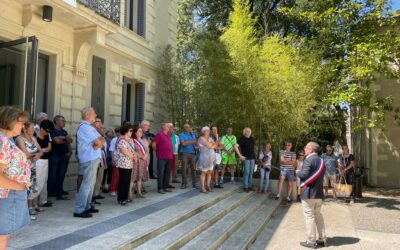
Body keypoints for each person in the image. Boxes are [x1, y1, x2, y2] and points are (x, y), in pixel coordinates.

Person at [0, 106, 30, 249]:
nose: (23, 126)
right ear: (10, 121)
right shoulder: (3, 141)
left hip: (8, 194)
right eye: (21, 122)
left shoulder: (7, 140)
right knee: (2, 237)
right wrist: (20, 186)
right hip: (7, 195)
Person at [74, 107, 105, 218]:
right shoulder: (86, 128)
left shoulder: (88, 127)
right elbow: (98, 141)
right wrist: (99, 142)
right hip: (89, 158)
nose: (95, 115)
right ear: (88, 116)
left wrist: (99, 142)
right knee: (87, 184)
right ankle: (79, 209)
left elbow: (102, 139)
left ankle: (86, 207)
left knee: (90, 184)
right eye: (94, 114)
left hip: (92, 158)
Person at [297, 142, 327, 248]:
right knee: (318, 215)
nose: (304, 149)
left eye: (306, 147)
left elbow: (304, 175)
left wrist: (297, 172)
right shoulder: (321, 160)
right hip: (319, 193)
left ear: (310, 149)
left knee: (309, 216)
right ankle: (322, 239)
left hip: (309, 193)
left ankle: (311, 241)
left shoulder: (309, 159)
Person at [16, 121, 44, 220]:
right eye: (32, 128)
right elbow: (26, 154)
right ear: (25, 129)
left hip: (33, 165)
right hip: (24, 167)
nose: (34, 130)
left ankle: (32, 208)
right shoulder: (20, 139)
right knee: (25, 188)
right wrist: (35, 155)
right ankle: (26, 210)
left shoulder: (33, 138)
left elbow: (40, 150)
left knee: (32, 187)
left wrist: (38, 154)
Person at [49, 115, 72, 200]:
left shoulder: (64, 131)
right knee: (53, 175)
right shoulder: (53, 131)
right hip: (54, 155)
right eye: (62, 120)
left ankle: (59, 193)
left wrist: (70, 151)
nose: (64, 122)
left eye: (64, 120)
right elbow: (56, 141)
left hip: (63, 156)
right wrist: (65, 138)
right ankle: (51, 193)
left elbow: (69, 141)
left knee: (61, 175)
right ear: (57, 121)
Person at [34, 120, 54, 209]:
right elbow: (36, 148)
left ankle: (43, 200)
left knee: (44, 181)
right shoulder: (35, 136)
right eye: (46, 131)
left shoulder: (47, 135)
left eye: (49, 131)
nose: (47, 133)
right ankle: (34, 203)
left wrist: (43, 150)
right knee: (37, 181)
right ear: (41, 128)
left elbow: (49, 147)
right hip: (38, 160)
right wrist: (43, 150)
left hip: (46, 159)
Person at [114, 125, 135, 205]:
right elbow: (125, 151)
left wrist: (134, 156)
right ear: (125, 131)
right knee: (123, 181)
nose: (131, 132)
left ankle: (125, 197)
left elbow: (132, 149)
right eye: (130, 131)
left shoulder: (128, 140)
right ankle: (121, 198)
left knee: (127, 181)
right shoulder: (121, 140)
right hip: (123, 163)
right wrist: (133, 156)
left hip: (128, 163)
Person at [152, 123, 173, 194]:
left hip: (169, 157)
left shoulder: (168, 135)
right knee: (160, 173)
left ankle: (165, 186)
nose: (169, 127)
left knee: (167, 173)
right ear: (163, 127)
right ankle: (160, 188)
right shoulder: (159, 134)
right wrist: (156, 151)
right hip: (161, 157)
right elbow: (153, 144)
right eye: (167, 126)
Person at [234, 127, 256, 192]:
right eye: (247, 131)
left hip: (252, 158)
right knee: (246, 172)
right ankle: (245, 187)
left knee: (251, 173)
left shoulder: (252, 139)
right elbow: (235, 146)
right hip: (246, 158)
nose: (248, 132)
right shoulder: (242, 139)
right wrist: (240, 156)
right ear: (244, 132)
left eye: (249, 131)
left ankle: (249, 186)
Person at [197, 126, 218, 193]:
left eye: (209, 130)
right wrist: (212, 144)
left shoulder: (210, 138)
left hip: (211, 158)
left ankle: (208, 186)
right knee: (203, 173)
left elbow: (216, 145)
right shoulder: (201, 138)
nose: (208, 132)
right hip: (204, 158)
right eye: (207, 130)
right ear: (203, 131)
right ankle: (202, 188)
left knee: (209, 172)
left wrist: (212, 144)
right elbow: (209, 146)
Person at [130, 125, 149, 198]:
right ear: (135, 133)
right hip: (136, 161)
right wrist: (141, 156)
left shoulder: (144, 140)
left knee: (140, 177)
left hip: (143, 161)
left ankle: (139, 191)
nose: (141, 133)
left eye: (141, 131)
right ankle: (130, 193)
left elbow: (147, 149)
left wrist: (146, 156)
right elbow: (132, 151)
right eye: (139, 131)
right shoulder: (132, 141)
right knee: (133, 177)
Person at [178, 123, 197, 189]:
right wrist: (191, 142)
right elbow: (183, 144)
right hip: (185, 154)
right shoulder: (181, 134)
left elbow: (195, 142)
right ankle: (184, 184)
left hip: (192, 153)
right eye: (186, 127)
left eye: (188, 127)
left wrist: (188, 142)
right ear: (184, 128)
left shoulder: (193, 134)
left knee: (194, 169)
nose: (187, 128)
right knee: (184, 169)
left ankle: (194, 183)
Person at [93, 117, 106, 201]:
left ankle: (96, 193)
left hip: (101, 158)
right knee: (94, 177)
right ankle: (92, 195)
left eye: (100, 122)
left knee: (100, 177)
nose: (100, 123)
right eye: (98, 121)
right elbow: (98, 146)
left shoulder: (100, 135)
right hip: (95, 157)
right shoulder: (92, 132)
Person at [108, 127, 120, 196]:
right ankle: (112, 189)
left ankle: (118, 188)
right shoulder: (114, 140)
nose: (119, 133)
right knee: (116, 175)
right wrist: (113, 159)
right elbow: (111, 150)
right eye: (117, 132)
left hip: (122, 160)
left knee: (121, 176)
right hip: (116, 159)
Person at [102, 129, 115, 193]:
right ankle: (102, 186)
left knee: (110, 173)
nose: (110, 133)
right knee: (104, 173)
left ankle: (108, 185)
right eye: (109, 132)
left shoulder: (114, 139)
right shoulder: (104, 139)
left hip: (111, 158)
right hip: (106, 158)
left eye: (111, 132)